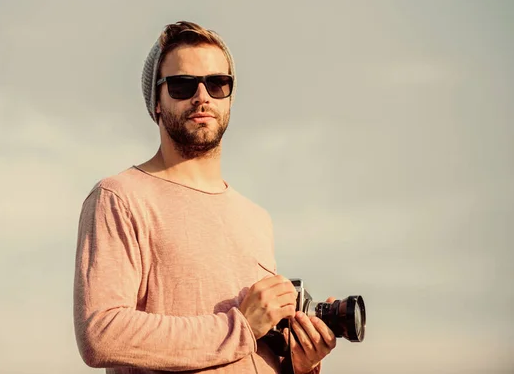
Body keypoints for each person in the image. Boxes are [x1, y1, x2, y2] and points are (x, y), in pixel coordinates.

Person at [73, 21, 337, 374]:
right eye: (182, 85)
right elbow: (101, 333)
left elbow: (247, 352)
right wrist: (239, 327)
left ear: (229, 98)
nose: (202, 97)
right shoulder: (120, 197)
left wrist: (300, 364)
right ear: (156, 103)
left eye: (217, 84)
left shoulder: (256, 218)